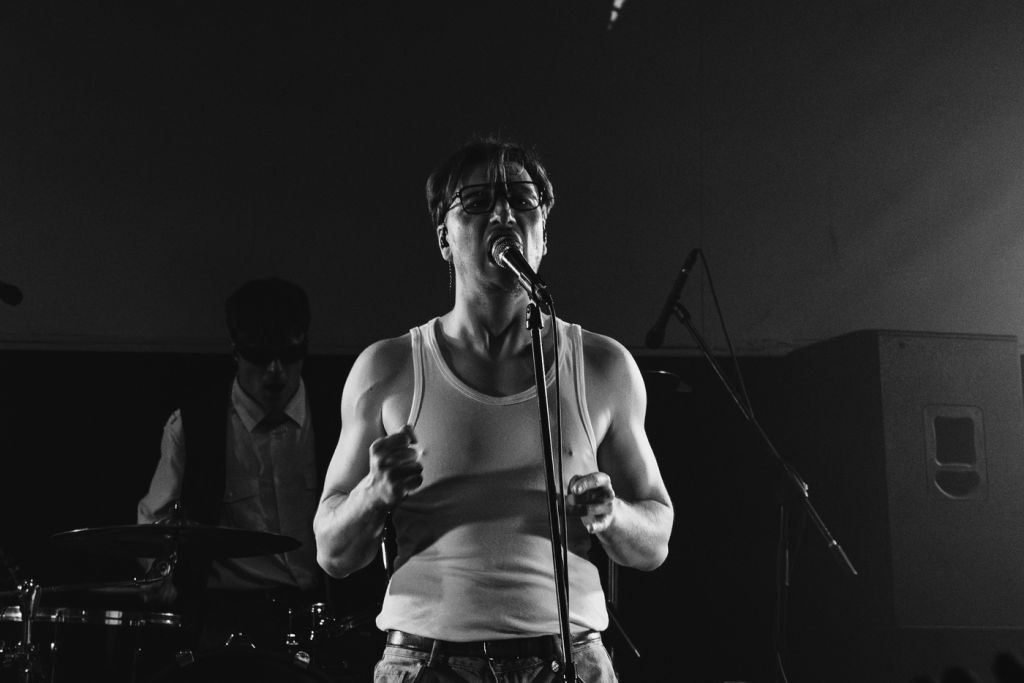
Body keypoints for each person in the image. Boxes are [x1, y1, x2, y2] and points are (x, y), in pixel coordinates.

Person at [314, 137, 674, 682]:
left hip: (567, 661)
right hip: (426, 661)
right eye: (478, 202)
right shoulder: (387, 368)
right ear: (444, 237)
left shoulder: (602, 366)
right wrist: (373, 493)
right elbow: (332, 553)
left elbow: (655, 542)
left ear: (544, 235)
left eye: (522, 201)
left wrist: (613, 515)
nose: (503, 214)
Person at [137, 277, 346, 659]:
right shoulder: (193, 425)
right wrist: (160, 573)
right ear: (236, 351)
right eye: (260, 356)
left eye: (288, 355)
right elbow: (154, 521)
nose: (275, 371)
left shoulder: (339, 418)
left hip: (321, 615)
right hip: (225, 621)